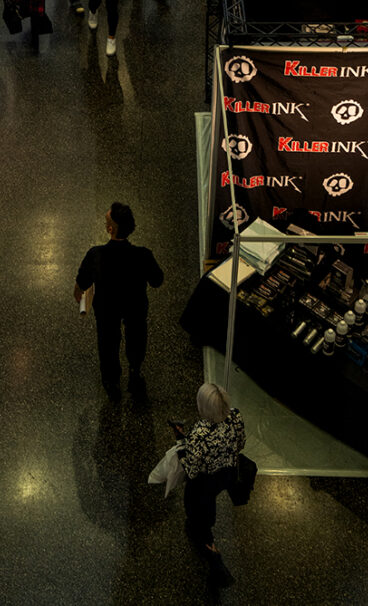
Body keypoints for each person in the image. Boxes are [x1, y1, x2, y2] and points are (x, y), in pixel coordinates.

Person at [73, 202, 163, 397]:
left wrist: (78, 291)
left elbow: (83, 280)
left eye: (106, 221)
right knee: (136, 336)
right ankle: (135, 371)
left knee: (107, 341)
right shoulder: (143, 255)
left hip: (107, 308)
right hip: (135, 306)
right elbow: (157, 280)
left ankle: (111, 381)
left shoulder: (96, 255)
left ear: (110, 229)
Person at [176, 383, 246, 555]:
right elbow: (241, 443)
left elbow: (191, 470)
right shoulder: (235, 416)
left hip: (205, 480)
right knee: (210, 499)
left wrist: (180, 443)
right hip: (227, 473)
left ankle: (205, 539)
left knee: (197, 505)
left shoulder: (199, 434)